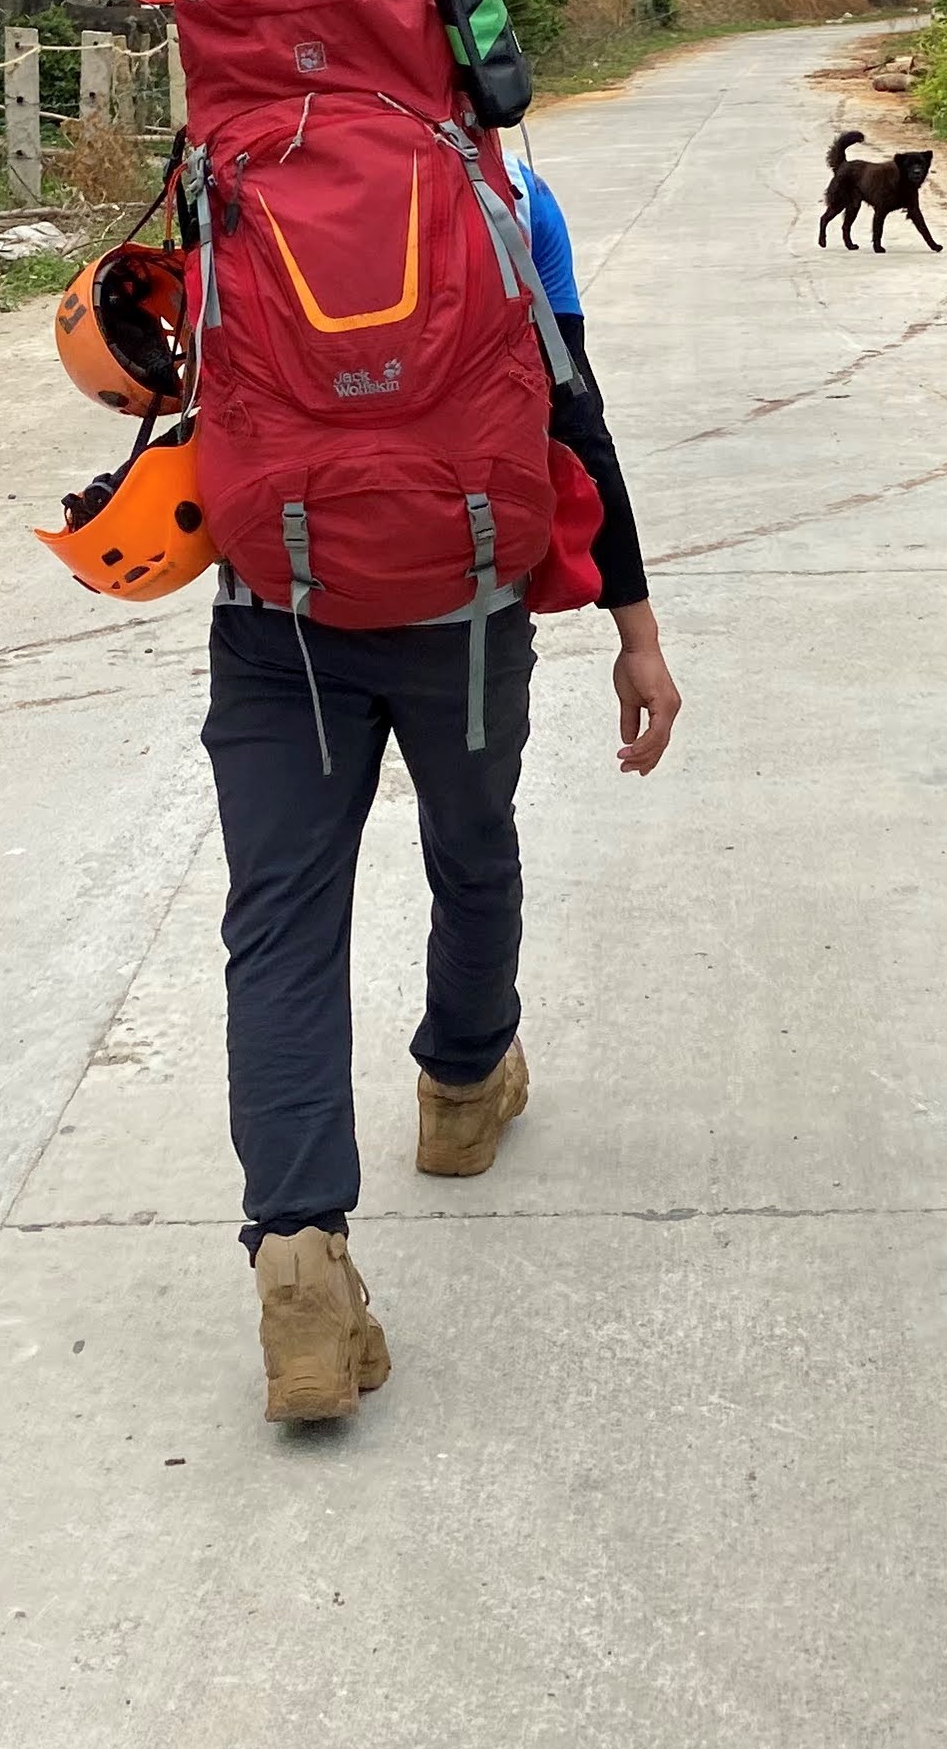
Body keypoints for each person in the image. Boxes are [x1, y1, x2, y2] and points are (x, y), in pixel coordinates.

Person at [205, 154, 680, 1425]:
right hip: (465, 611)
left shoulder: (229, 180)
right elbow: (574, 413)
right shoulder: (513, 202)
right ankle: (463, 1088)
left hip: (278, 618)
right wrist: (636, 627)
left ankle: (299, 1253)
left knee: (282, 926)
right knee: (472, 846)